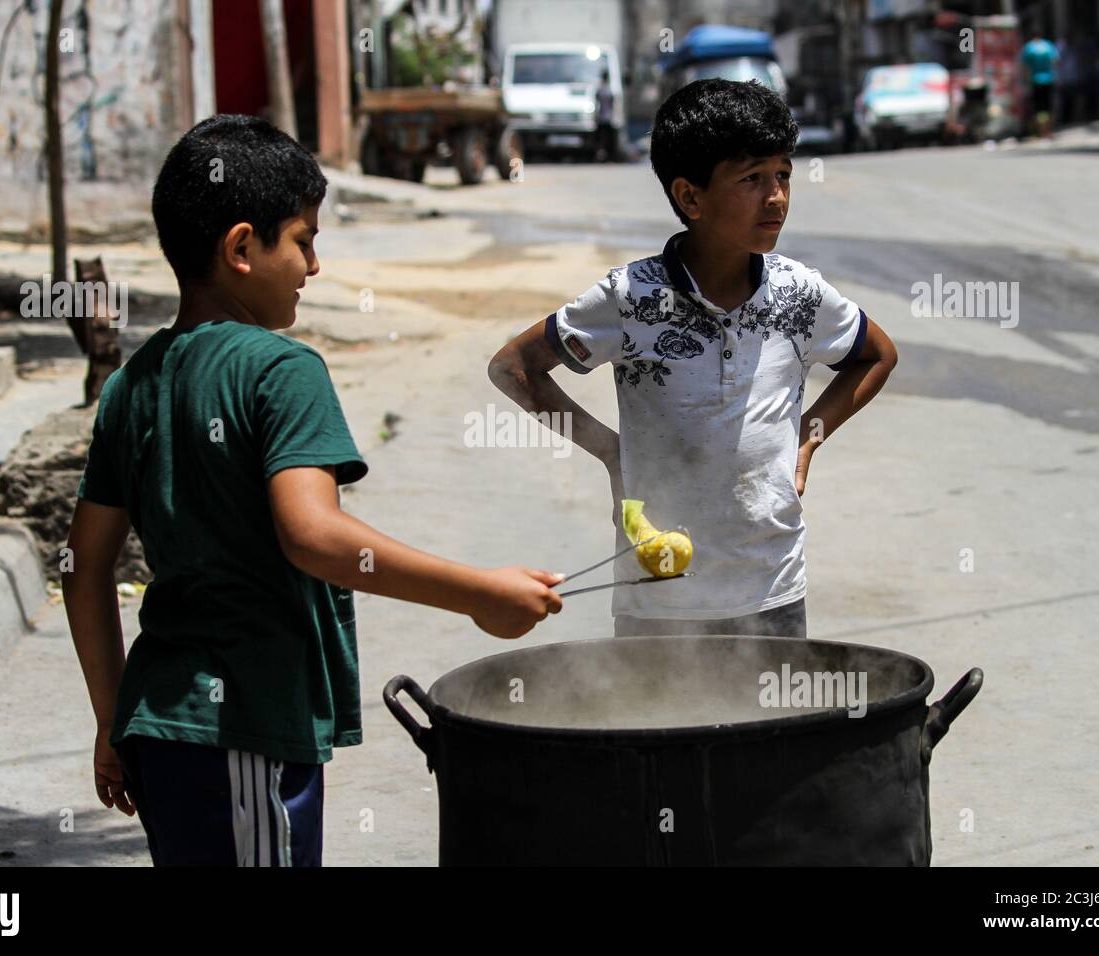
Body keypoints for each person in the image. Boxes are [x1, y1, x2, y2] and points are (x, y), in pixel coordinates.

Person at [63, 115, 563, 867]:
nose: (315, 265)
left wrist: (112, 720)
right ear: (240, 248)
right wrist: (478, 593)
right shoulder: (281, 370)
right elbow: (315, 536)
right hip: (243, 728)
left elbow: (81, 567)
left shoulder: (130, 386)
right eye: (303, 239)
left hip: (161, 724)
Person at [488, 80, 897, 640]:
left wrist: (809, 436)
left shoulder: (798, 294)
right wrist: (611, 452)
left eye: (783, 174)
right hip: (657, 597)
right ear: (690, 197)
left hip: (771, 585)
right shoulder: (632, 298)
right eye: (752, 178)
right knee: (662, 722)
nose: (776, 196)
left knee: (774, 725)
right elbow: (513, 368)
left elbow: (876, 356)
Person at [1022, 33, 1059, 138]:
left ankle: (1042, 131)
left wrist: (1025, 80)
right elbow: (1055, 61)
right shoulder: (1048, 45)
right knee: (1049, 106)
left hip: (1035, 80)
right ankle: (1049, 131)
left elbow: (1025, 66)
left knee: (1039, 108)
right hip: (1048, 79)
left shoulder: (1029, 47)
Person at [595, 69, 617, 162]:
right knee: (607, 138)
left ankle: (603, 155)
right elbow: (612, 103)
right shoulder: (609, 89)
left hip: (602, 117)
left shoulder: (600, 89)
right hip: (607, 117)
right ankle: (607, 156)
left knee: (601, 138)